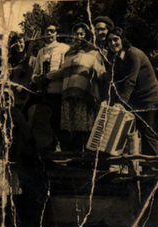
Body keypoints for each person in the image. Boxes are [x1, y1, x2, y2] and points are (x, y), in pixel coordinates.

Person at [46, 22, 106, 151]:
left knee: (86, 129)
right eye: (76, 34)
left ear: (87, 35)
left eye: (82, 34)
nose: (79, 36)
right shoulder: (69, 53)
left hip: (85, 97)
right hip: (68, 96)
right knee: (73, 130)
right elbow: (62, 72)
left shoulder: (94, 52)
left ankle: (88, 163)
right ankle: (76, 162)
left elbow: (101, 74)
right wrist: (46, 76)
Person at [0, 87, 32, 227]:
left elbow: (26, 135)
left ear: (12, 100)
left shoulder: (17, 114)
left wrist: (13, 143)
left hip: (14, 156)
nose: (4, 102)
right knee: (0, 189)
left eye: (7, 99)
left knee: (13, 188)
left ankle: (14, 222)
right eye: (1, 100)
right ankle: (0, 222)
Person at [106, 27, 158, 155]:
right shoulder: (116, 57)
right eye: (109, 41)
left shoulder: (133, 54)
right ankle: (147, 169)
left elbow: (130, 81)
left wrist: (120, 103)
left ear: (122, 39)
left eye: (116, 39)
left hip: (149, 98)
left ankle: (154, 169)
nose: (113, 43)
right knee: (141, 132)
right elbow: (117, 81)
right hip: (136, 100)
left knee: (148, 133)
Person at [31, 21, 70, 151]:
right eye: (47, 31)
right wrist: (37, 78)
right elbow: (35, 73)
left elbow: (65, 70)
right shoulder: (41, 52)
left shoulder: (64, 48)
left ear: (57, 33)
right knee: (46, 124)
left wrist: (48, 77)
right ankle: (50, 153)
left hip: (58, 93)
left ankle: (66, 153)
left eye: (52, 31)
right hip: (43, 93)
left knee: (59, 123)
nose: (49, 34)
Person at [8, 32, 36, 111]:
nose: (18, 44)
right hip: (15, 97)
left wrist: (24, 86)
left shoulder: (33, 60)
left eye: (20, 42)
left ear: (25, 43)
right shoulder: (11, 62)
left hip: (29, 98)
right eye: (15, 42)